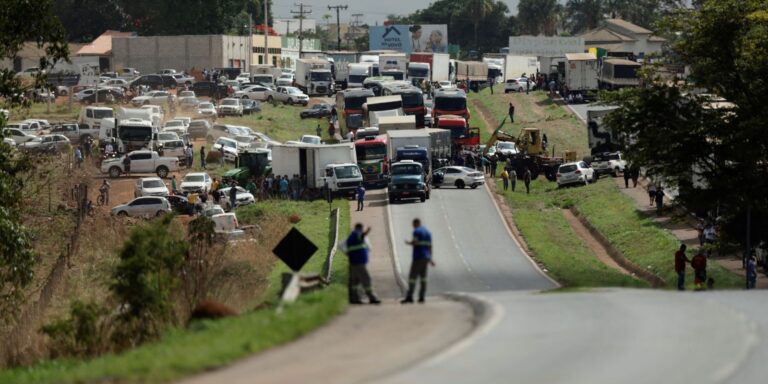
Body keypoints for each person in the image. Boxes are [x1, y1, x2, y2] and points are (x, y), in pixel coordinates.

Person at [341, 224, 380, 304]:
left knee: (355, 281)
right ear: (360, 228)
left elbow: (341, 245)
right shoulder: (357, 234)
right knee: (366, 279)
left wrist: (347, 253)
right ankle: (372, 297)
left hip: (354, 262)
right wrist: (367, 231)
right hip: (358, 263)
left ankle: (354, 298)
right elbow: (361, 236)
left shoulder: (351, 237)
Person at [402, 218, 434, 304]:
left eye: (413, 225)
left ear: (416, 223)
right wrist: (430, 258)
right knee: (423, 278)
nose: (413, 227)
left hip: (418, 257)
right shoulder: (428, 233)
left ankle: (410, 296)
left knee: (412, 278)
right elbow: (430, 247)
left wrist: (408, 243)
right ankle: (422, 297)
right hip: (425, 258)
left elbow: (415, 242)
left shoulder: (417, 231)